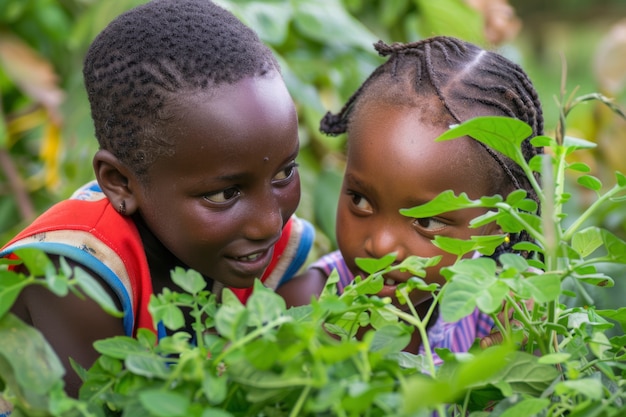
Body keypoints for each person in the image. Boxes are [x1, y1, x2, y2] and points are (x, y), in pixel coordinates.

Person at [0, 0, 314, 400]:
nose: (270, 222)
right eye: (224, 194)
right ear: (121, 184)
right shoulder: (72, 279)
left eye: (284, 173)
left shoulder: (273, 248)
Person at [281, 36, 543, 359]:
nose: (381, 245)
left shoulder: (496, 318)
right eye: (361, 200)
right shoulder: (304, 311)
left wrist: (511, 367)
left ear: (496, 224)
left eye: (427, 221)